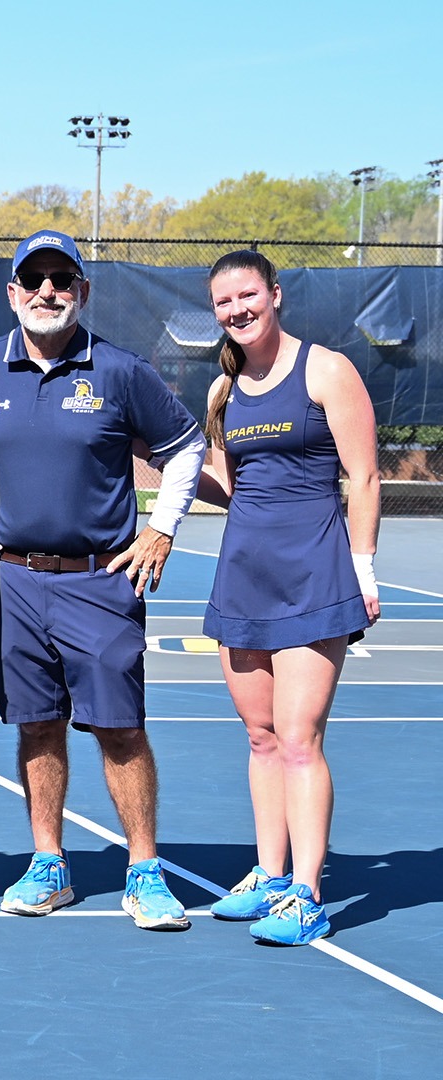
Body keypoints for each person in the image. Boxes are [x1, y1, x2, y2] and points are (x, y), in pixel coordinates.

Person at [0, 229, 206, 930]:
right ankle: (49, 862)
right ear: (13, 293)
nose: (48, 292)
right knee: (36, 726)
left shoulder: (121, 372)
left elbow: (186, 448)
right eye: (34, 280)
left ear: (83, 291)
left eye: (63, 279)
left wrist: (162, 528)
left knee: (120, 729)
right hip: (11, 581)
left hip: (100, 579)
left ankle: (145, 871)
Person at [193, 249, 379, 945]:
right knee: (261, 736)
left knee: (301, 740)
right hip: (243, 574)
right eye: (223, 302)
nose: (237, 310)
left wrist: (362, 571)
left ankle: (308, 893)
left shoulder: (326, 370)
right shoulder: (222, 392)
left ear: (274, 295)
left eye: (248, 296)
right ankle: (271, 876)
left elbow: (363, 478)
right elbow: (228, 489)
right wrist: (161, 455)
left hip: (314, 573)